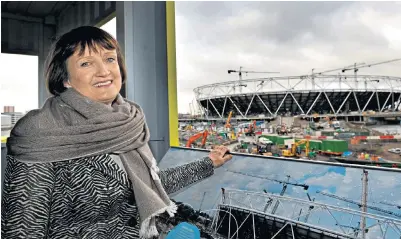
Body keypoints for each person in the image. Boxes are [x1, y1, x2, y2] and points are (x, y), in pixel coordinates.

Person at [1, 26, 233, 239]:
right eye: (86, 63)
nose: (104, 71)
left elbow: (148, 185)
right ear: (66, 79)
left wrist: (208, 163)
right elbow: (23, 229)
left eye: (110, 59)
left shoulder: (128, 122)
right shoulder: (40, 133)